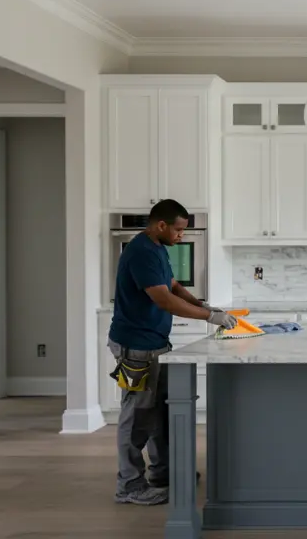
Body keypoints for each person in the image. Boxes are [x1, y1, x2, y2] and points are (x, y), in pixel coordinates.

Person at [108, 199, 237, 505]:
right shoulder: (140, 251)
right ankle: (129, 485)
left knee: (160, 412)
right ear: (161, 225)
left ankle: (164, 473)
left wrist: (200, 303)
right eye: (179, 230)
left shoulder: (156, 248)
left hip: (154, 342)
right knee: (137, 414)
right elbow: (164, 300)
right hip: (135, 345)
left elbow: (172, 284)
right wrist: (210, 317)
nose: (182, 236)